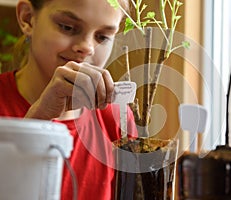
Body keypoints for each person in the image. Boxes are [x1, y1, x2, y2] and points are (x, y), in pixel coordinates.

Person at [0, 0, 136, 199]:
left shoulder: (116, 120)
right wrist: (40, 117)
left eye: (103, 37)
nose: (87, 47)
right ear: (27, 18)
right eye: (68, 27)